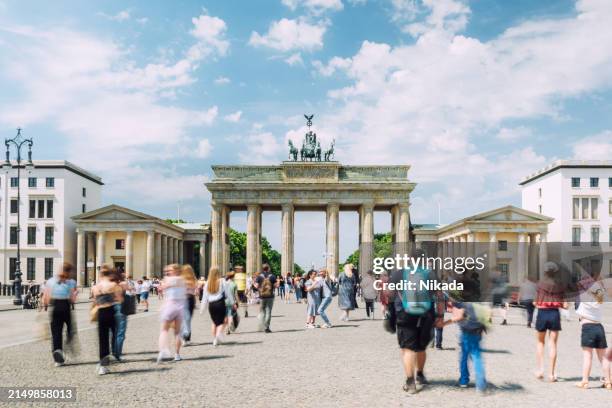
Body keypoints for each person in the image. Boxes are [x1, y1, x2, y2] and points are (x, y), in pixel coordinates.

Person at [385, 249, 444, 395]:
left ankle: (410, 382)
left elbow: (389, 293)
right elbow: (439, 295)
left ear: (410, 259)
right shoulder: (430, 274)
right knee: (421, 347)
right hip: (426, 314)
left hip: (405, 313)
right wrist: (440, 315)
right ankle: (420, 374)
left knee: (408, 349)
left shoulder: (399, 273)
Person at [444, 301, 490, 393]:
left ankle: (464, 381)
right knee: (476, 357)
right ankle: (480, 384)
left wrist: (443, 323)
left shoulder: (462, 299)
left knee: (464, 357)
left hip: (466, 332)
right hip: (477, 330)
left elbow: (459, 316)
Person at [534, 261, 567, 382]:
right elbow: (565, 304)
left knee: (540, 342)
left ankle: (540, 370)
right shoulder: (560, 285)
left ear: (545, 272)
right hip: (554, 314)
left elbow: (535, 302)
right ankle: (552, 374)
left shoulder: (540, 284)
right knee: (553, 344)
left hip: (542, 313)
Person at [575, 271, 608, 388]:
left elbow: (579, 284)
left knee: (587, 356)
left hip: (587, 327)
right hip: (599, 327)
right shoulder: (600, 296)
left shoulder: (583, 295)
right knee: (603, 357)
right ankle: (609, 381)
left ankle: (585, 381)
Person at [42, 262, 78, 367]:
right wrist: (74, 295)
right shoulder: (71, 282)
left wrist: (45, 306)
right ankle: (68, 342)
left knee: (56, 332)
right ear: (69, 272)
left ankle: (57, 354)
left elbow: (46, 297)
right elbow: (72, 299)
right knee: (71, 328)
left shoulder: (51, 281)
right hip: (65, 306)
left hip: (55, 307)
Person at [91, 265, 123, 375]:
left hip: (101, 312)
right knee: (115, 335)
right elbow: (120, 299)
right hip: (111, 311)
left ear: (100, 275)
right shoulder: (114, 285)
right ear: (110, 274)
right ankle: (112, 354)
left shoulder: (95, 287)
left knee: (102, 339)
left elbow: (95, 300)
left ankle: (102, 365)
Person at [157, 264, 186, 362]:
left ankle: (163, 350)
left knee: (164, 330)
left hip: (170, 306)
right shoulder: (183, 279)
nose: (167, 271)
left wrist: (163, 285)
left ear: (176, 270)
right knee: (177, 332)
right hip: (180, 307)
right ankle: (177, 355)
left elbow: (161, 288)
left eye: (169, 270)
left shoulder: (169, 279)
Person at [200, 267, 227, 346]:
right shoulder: (222, 281)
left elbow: (204, 297)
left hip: (211, 305)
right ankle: (218, 335)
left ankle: (215, 339)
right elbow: (227, 292)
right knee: (222, 321)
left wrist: (202, 309)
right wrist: (232, 302)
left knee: (214, 322)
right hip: (220, 303)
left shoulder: (207, 283)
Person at [111, 268, 130, 362]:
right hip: (120, 307)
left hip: (110, 307)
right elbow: (129, 290)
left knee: (113, 331)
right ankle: (117, 354)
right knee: (120, 332)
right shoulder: (123, 284)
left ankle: (112, 351)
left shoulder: (110, 284)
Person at [256, 264, 277, 333]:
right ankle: (266, 327)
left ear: (262, 269)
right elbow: (276, 285)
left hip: (262, 296)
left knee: (262, 311)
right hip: (270, 296)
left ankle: (260, 325)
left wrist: (260, 289)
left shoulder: (259, 276)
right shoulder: (272, 276)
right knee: (268, 312)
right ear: (268, 268)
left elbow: (256, 286)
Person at [181, 265, 197, 345]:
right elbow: (196, 292)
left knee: (182, 319)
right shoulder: (193, 280)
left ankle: (183, 338)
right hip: (191, 299)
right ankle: (187, 339)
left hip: (182, 299)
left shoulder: (181, 280)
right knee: (188, 320)